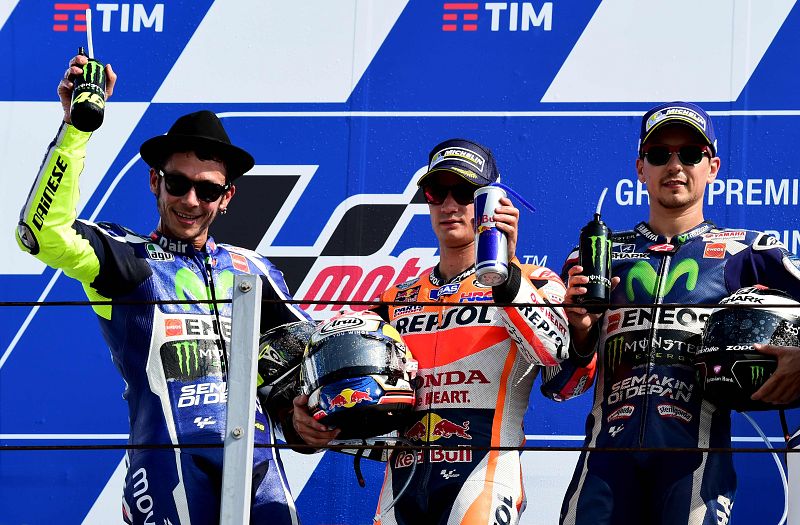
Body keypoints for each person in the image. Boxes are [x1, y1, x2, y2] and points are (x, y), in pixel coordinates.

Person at [16, 54, 311, 525]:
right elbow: (41, 233)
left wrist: (305, 423)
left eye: (208, 190)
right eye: (178, 183)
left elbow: (301, 371)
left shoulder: (253, 270)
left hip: (259, 470)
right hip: (165, 472)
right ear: (156, 180)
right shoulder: (124, 257)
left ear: (227, 197)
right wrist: (76, 130)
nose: (191, 201)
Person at [294, 138, 579, 524]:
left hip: (484, 476)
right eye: (435, 193)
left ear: (491, 201)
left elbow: (559, 364)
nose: (448, 205)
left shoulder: (535, 281)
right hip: (401, 485)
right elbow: (353, 394)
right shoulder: (394, 299)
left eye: (464, 192)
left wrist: (506, 272)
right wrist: (311, 418)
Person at [551, 101, 800, 524]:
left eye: (689, 153)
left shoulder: (747, 251)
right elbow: (561, 386)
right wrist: (579, 334)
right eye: (658, 154)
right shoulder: (595, 257)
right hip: (605, 465)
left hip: (694, 464)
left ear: (713, 166)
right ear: (640, 168)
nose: (675, 165)